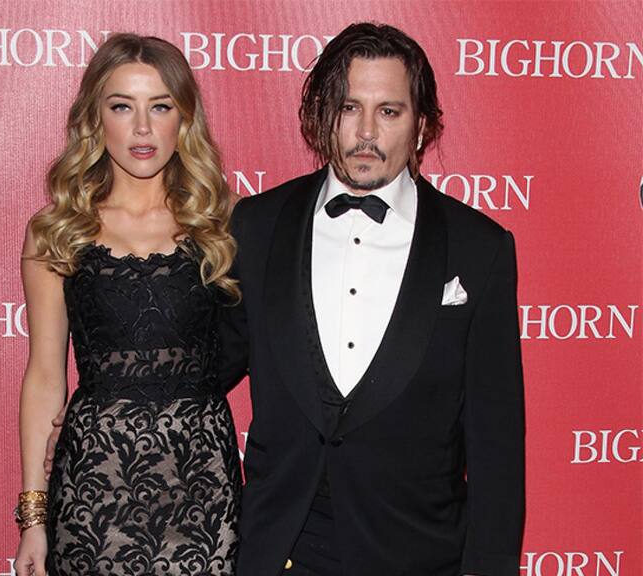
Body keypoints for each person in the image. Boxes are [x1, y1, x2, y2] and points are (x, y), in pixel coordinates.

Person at [219, 22, 525, 576]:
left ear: (421, 125)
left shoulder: (479, 248)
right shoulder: (258, 226)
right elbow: (205, 368)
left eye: (388, 111)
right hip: (280, 551)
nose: (365, 132)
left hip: (416, 555)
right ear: (322, 114)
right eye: (348, 108)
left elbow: (496, 441)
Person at [14, 33, 242, 576]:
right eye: (122, 107)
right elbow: (45, 375)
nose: (142, 128)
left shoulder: (227, 224)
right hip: (95, 487)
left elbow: (263, 349)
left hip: (204, 485)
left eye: (160, 106)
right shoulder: (57, 231)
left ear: (183, 118)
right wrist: (33, 518)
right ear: (96, 118)